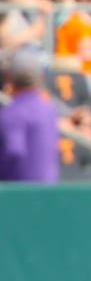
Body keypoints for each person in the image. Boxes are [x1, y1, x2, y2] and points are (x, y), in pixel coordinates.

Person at [0, 50, 59, 183]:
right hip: (48, 187)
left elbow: (14, 152)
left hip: (20, 190)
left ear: (9, 77)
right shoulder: (49, 109)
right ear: (41, 76)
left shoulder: (11, 112)